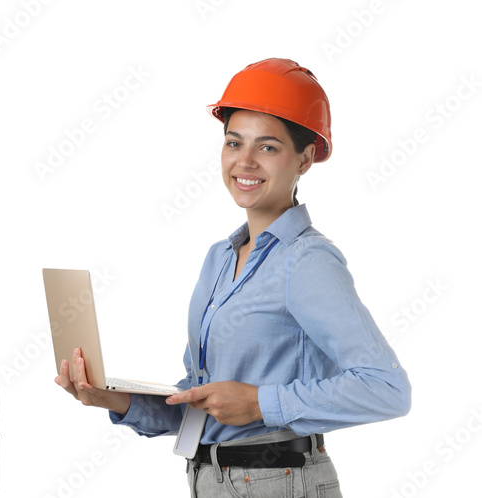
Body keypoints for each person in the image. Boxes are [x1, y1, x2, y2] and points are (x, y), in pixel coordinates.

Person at [55, 58, 412, 497]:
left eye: (267, 147)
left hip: (278, 480)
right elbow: (205, 401)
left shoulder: (307, 260)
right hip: (212, 479)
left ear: (304, 159)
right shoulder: (219, 258)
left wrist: (260, 403)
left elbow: (386, 389)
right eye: (233, 142)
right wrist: (116, 400)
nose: (244, 162)